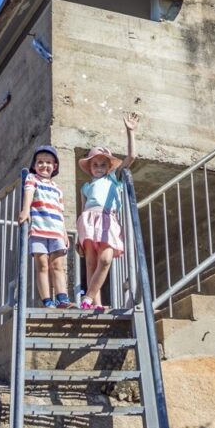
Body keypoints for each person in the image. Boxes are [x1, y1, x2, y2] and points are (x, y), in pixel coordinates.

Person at [76, 113, 139, 311]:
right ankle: (96, 304)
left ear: (109, 167)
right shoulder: (85, 187)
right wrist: (79, 237)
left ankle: (87, 297)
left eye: (103, 164)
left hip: (107, 219)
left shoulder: (113, 179)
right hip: (88, 220)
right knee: (91, 264)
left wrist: (131, 132)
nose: (99, 167)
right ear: (90, 167)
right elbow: (82, 210)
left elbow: (132, 157)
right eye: (95, 164)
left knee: (105, 260)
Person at [17, 145, 73, 309]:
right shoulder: (32, 179)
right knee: (42, 265)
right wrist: (25, 210)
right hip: (39, 229)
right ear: (34, 165)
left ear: (54, 166)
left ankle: (62, 299)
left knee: (58, 265)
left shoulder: (57, 188)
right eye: (40, 162)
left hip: (56, 231)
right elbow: (28, 193)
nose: (44, 165)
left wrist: (63, 232)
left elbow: (60, 211)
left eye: (48, 162)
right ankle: (47, 301)